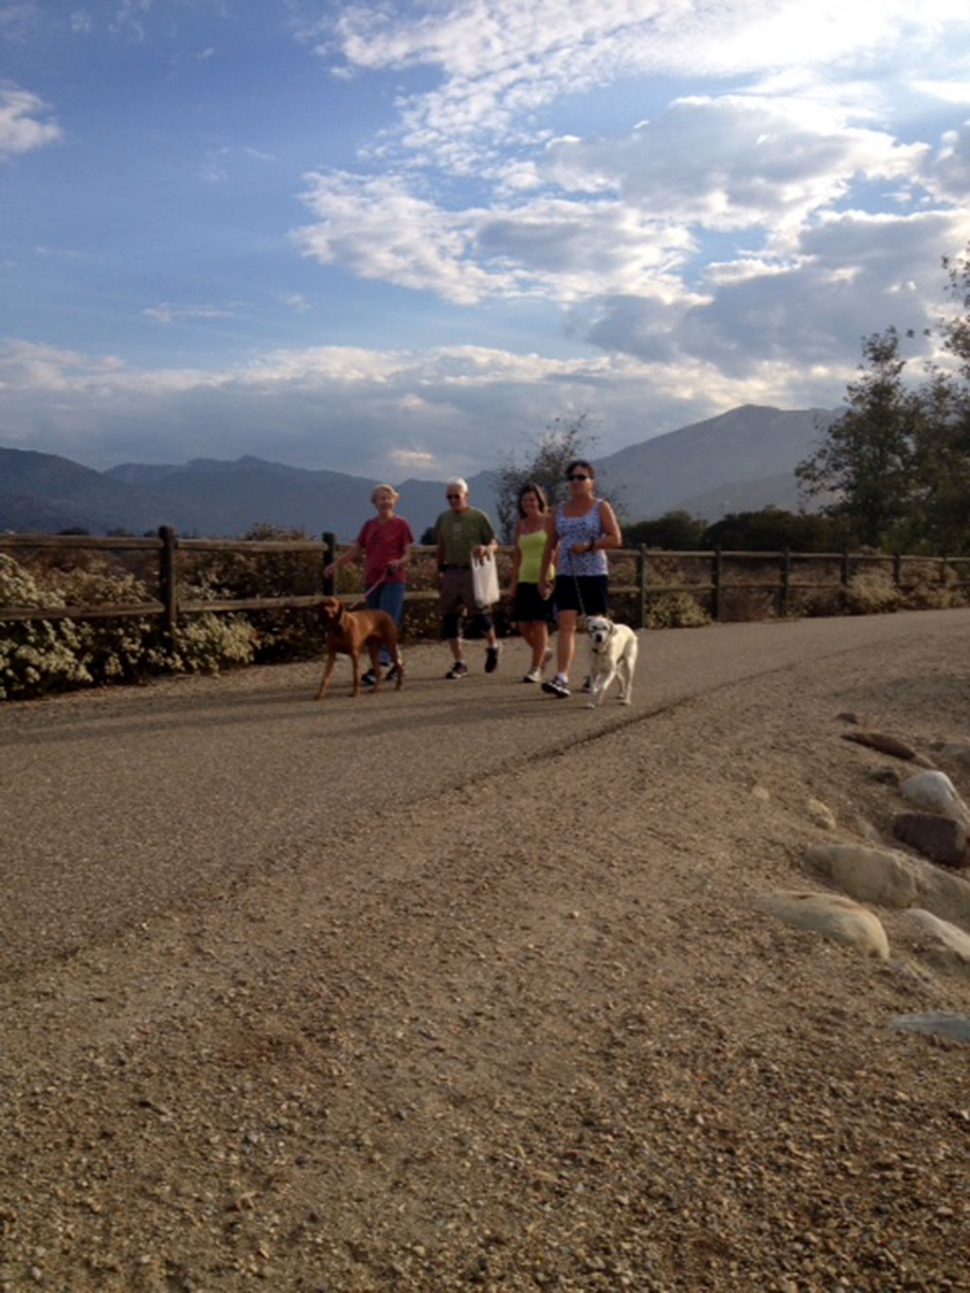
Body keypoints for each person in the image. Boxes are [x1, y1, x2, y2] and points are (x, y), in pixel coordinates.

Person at [540, 459, 621, 699]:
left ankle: (597, 673)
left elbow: (616, 538)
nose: (575, 482)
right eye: (572, 478)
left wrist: (589, 545)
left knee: (597, 628)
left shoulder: (601, 507)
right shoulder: (560, 510)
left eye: (581, 477)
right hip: (567, 574)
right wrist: (544, 574)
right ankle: (562, 677)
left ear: (591, 481)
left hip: (594, 573)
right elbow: (550, 545)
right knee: (566, 625)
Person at [324, 484, 414, 684]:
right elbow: (356, 549)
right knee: (374, 627)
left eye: (388, 498)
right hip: (372, 580)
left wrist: (398, 562)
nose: (385, 502)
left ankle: (378, 667)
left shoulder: (402, 525)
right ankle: (397, 664)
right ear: (374, 503)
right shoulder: (369, 526)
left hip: (393, 580)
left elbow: (408, 553)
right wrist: (337, 564)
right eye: (380, 498)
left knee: (387, 621)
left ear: (395, 500)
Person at [433, 478, 500, 678]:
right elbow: (441, 546)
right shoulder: (443, 519)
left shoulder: (478, 516)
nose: (453, 500)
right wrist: (439, 569)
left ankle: (493, 645)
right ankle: (459, 661)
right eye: (449, 497)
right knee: (450, 618)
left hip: (473, 571)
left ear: (466, 496)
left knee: (480, 615)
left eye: (457, 496)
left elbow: (494, 542)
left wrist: (486, 549)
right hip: (451, 571)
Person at [509, 481, 557, 683]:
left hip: (544, 577)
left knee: (539, 623)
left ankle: (535, 668)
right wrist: (514, 579)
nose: (528, 503)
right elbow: (518, 553)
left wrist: (549, 579)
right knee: (522, 625)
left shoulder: (549, 521)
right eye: (525, 500)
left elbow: (555, 550)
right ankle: (543, 651)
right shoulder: (521, 525)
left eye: (532, 499)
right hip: (524, 578)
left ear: (539, 500)